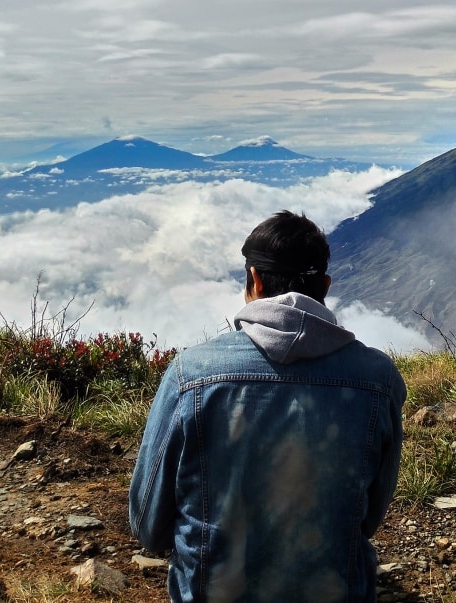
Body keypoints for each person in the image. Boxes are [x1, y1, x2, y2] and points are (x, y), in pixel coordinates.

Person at [129, 210, 406, 603]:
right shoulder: (379, 380)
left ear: (254, 280)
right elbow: (370, 517)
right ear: (325, 285)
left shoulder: (191, 374)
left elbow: (147, 525)